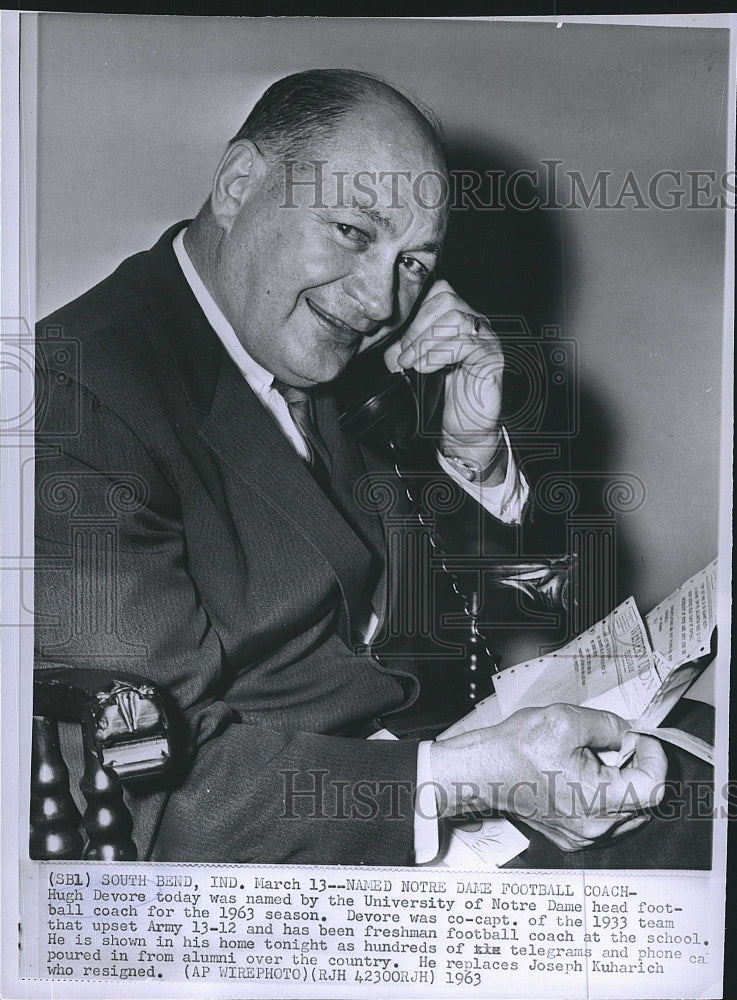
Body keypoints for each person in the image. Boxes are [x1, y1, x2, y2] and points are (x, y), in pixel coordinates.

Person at [34, 69, 666, 864]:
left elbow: (485, 630)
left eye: (412, 263)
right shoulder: (76, 400)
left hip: (419, 765)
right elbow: (152, 795)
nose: (378, 303)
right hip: (285, 854)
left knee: (692, 767)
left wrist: (473, 455)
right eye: (353, 232)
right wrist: (464, 781)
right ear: (237, 186)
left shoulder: (323, 354)